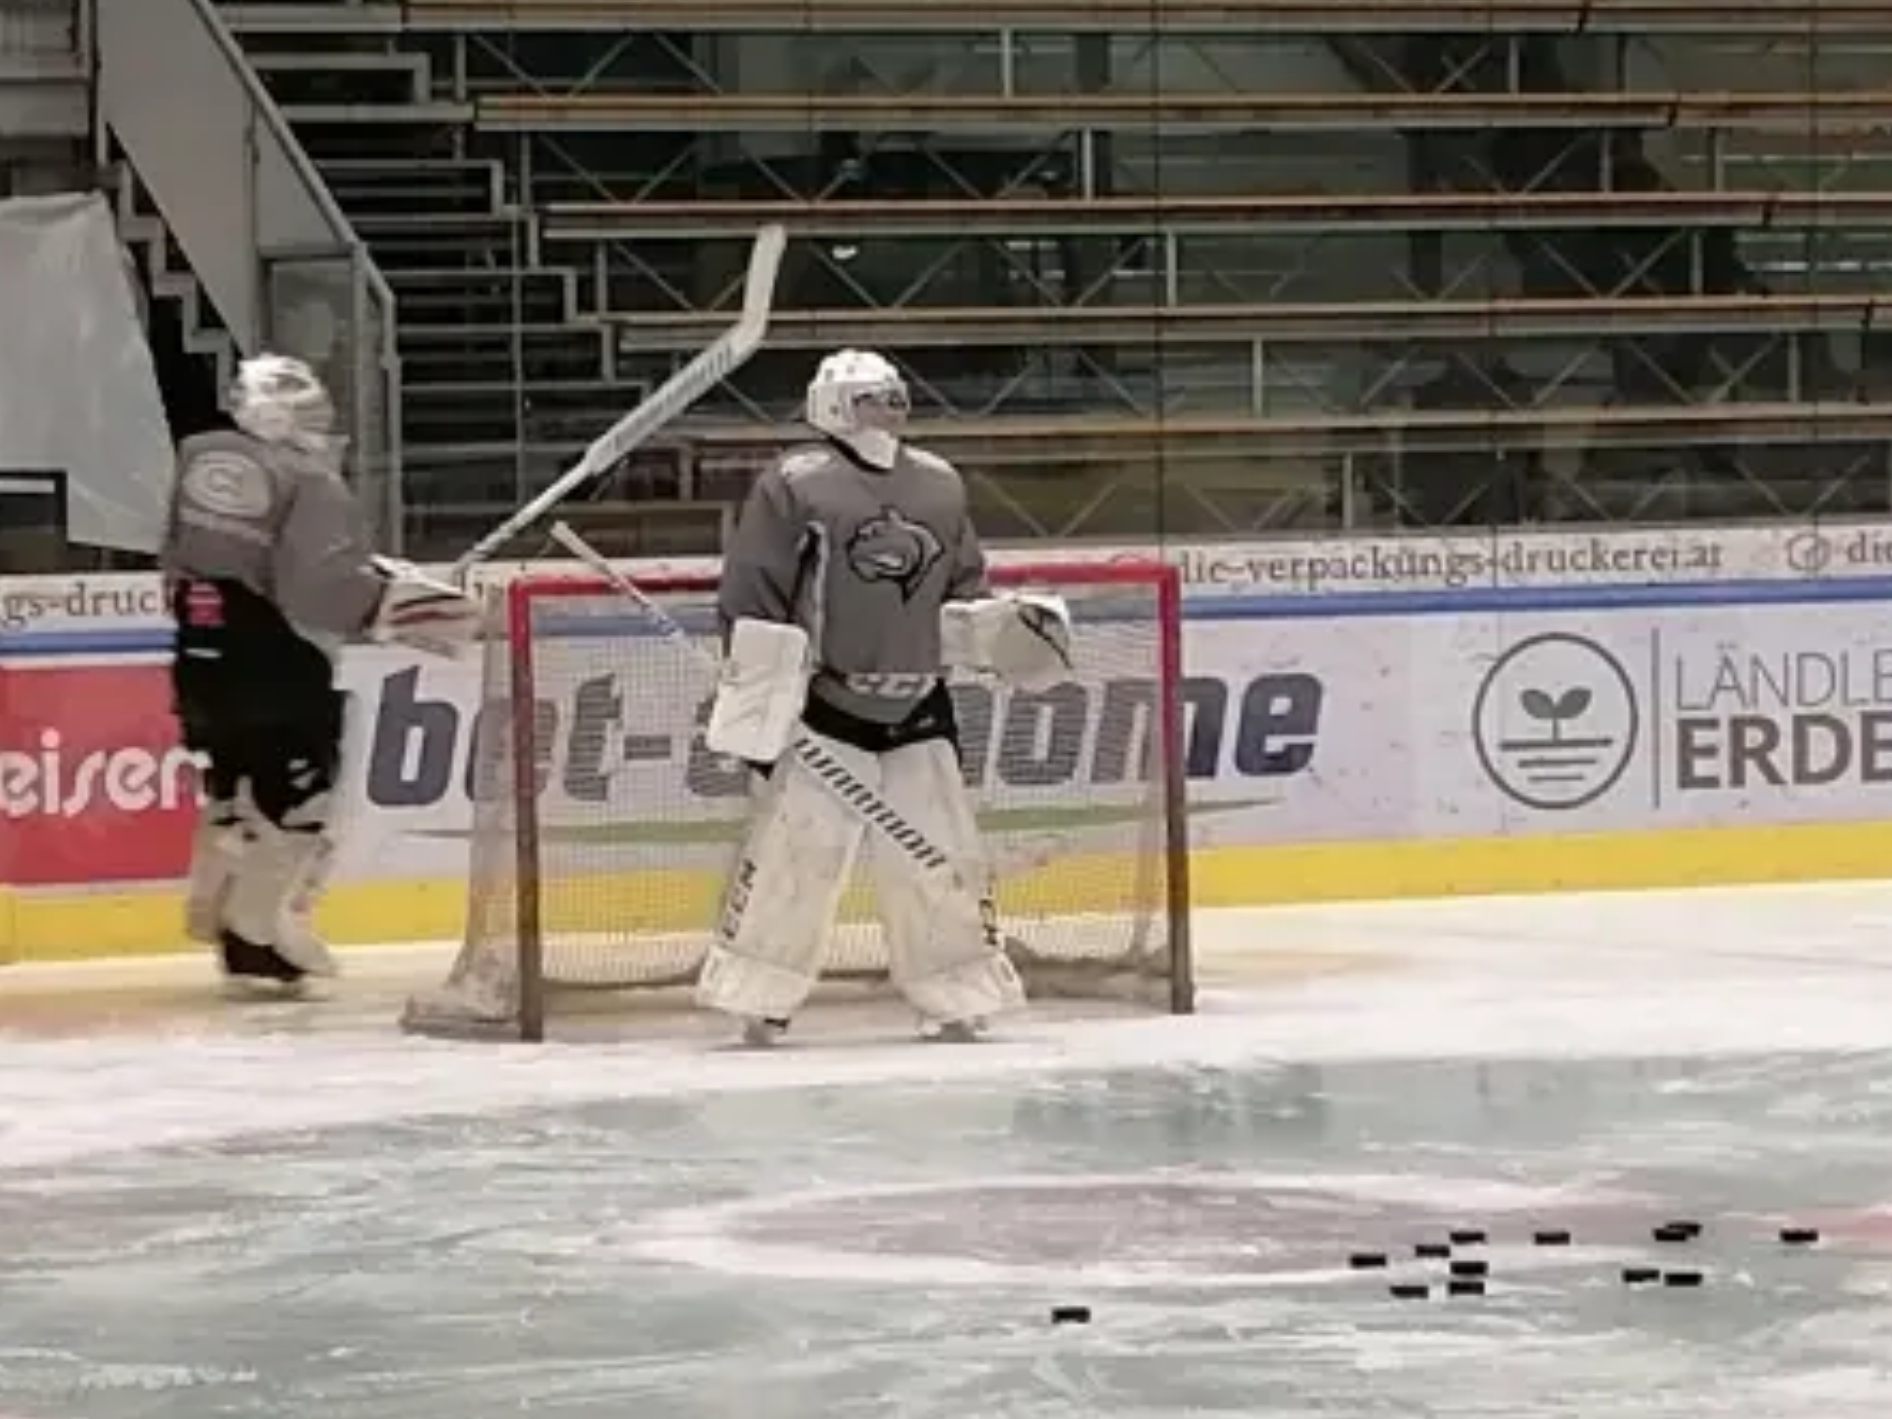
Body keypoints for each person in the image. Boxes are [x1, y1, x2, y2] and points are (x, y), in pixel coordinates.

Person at [696, 349, 1071, 1045]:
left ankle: (956, 991)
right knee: (794, 857)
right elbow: (755, 593)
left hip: (919, 703)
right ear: (832, 407)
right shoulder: (794, 483)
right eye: (871, 399)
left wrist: (995, 631)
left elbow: (962, 589)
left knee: (939, 859)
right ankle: (761, 995)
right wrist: (759, 699)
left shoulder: (939, 482)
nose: (888, 411)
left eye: (894, 397)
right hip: (823, 707)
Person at [162, 354, 476, 990]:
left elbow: (209, 560)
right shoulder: (309, 481)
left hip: (200, 656)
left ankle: (219, 904)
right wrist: (413, 608)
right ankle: (253, 933)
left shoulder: (199, 458)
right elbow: (321, 589)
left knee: (236, 787)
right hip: (277, 662)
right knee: (299, 797)